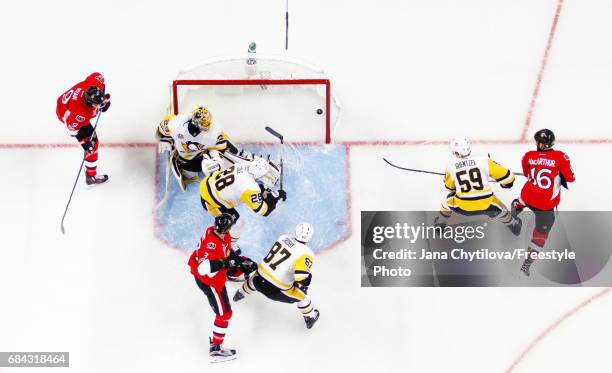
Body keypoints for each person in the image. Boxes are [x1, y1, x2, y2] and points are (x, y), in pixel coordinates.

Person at [188, 213, 257, 363]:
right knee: (224, 314)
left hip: (216, 274)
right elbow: (202, 269)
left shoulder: (216, 231)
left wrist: (239, 262)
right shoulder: (210, 244)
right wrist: (225, 264)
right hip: (210, 282)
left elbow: (226, 253)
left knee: (243, 263)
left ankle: (232, 275)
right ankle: (216, 349)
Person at [233, 223, 320, 329]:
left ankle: (240, 293)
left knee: (259, 275)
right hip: (276, 291)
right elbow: (301, 277)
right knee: (302, 293)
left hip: (258, 281)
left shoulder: (283, 238)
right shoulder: (307, 253)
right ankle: (310, 316)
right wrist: (306, 281)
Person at [512, 129, 575, 276]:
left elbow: (528, 174)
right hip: (545, 205)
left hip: (527, 196)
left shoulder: (528, 156)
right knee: (540, 235)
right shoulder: (561, 156)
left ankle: (514, 213)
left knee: (520, 200)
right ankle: (526, 265)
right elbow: (571, 178)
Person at [435, 137, 522, 235]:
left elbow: (449, 188)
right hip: (487, 206)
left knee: (447, 200)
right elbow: (509, 178)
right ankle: (513, 225)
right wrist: (506, 184)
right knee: (502, 210)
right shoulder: (484, 160)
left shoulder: (450, 166)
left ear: (455, 153)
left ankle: (440, 223)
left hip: (463, 207)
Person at [156, 106, 253, 191]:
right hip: (186, 158)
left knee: (217, 164)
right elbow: (161, 128)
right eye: (205, 125)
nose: (209, 126)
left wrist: (235, 155)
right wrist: (163, 139)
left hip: (203, 153)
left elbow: (224, 142)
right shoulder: (178, 124)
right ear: (196, 123)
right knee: (190, 174)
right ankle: (181, 165)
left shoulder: (211, 135)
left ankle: (241, 160)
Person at [199, 157, 286, 249]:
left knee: (235, 220)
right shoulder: (250, 188)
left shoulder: (240, 166)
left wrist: (269, 194)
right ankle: (229, 246)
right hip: (211, 202)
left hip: (207, 185)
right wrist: (276, 196)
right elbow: (264, 211)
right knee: (238, 224)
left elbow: (252, 186)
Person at [56, 72, 111, 185]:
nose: (100, 106)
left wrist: (104, 102)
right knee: (93, 144)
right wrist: (85, 144)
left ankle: (91, 174)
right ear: (90, 103)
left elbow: (99, 77)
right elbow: (72, 129)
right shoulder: (79, 114)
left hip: (71, 105)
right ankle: (90, 177)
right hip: (65, 112)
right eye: (97, 104)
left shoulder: (94, 82)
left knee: (92, 142)